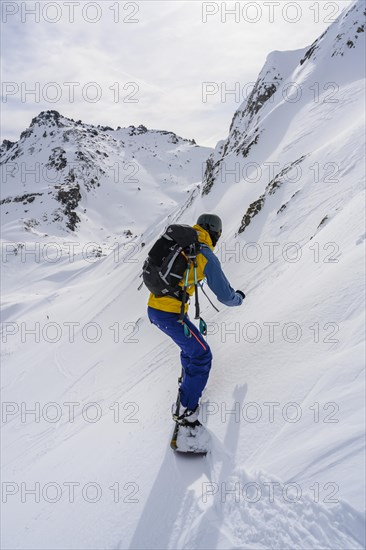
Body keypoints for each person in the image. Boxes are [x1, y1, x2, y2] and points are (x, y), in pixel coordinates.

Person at [147, 213, 245, 424]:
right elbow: (225, 296)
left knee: (192, 347)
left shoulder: (182, 243)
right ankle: (186, 409)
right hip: (170, 315)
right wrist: (239, 299)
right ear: (215, 233)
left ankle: (188, 383)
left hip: (156, 309)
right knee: (202, 355)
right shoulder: (204, 254)